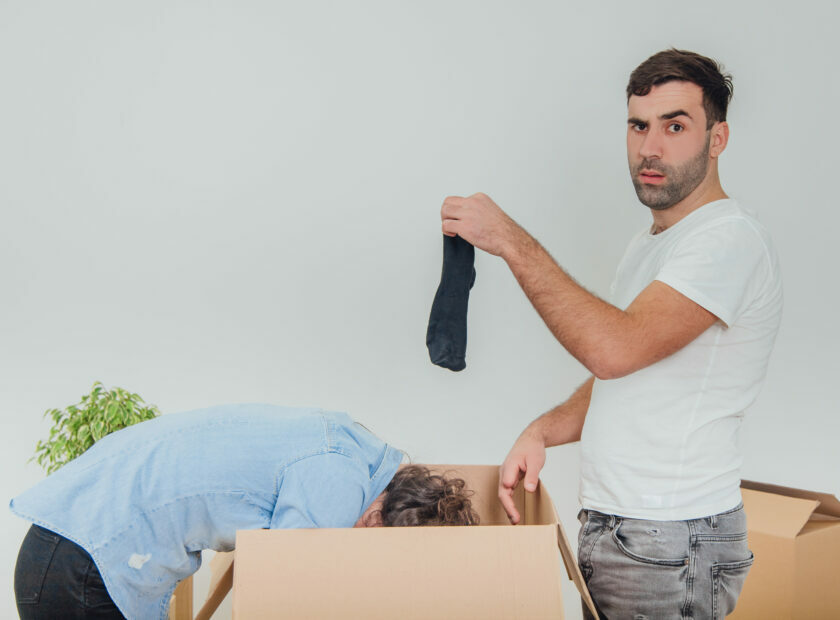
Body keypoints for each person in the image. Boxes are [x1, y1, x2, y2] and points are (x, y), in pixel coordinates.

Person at [440, 49, 782, 618]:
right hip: (633, 535)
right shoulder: (652, 243)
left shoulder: (727, 240)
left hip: (670, 541)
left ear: (717, 138)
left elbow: (615, 347)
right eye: (638, 125)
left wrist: (509, 241)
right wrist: (543, 430)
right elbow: (626, 370)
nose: (651, 147)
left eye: (676, 126)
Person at [11, 404, 478, 620]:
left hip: (68, 554)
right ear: (379, 518)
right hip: (81, 567)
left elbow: (256, 568)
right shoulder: (338, 482)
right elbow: (283, 599)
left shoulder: (350, 451)